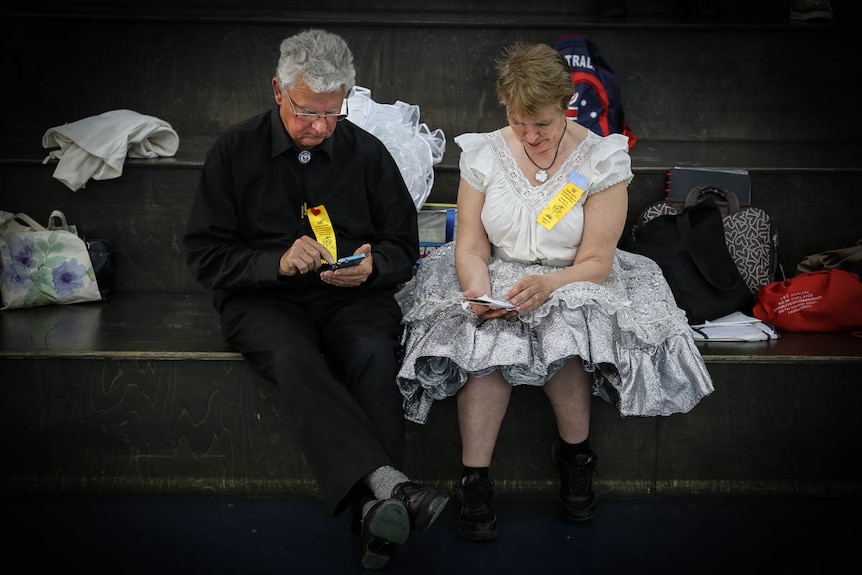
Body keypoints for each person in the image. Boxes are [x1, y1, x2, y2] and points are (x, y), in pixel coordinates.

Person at [395, 41, 715, 541]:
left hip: (573, 276)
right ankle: (473, 478)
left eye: (541, 124)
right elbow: (472, 246)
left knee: (562, 337)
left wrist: (550, 284)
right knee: (483, 346)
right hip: (499, 270)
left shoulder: (601, 158)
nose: (530, 135)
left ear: (565, 105)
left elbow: (596, 261)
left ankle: (576, 456)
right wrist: (480, 294)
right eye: (520, 122)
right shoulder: (485, 152)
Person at [183, 29, 448, 570]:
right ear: (278, 91)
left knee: (375, 352)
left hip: (352, 297)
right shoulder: (234, 151)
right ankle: (388, 490)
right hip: (262, 300)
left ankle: (376, 518)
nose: (320, 127)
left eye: (332, 113)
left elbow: (403, 246)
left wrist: (376, 267)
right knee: (292, 356)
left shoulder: (367, 153)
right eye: (307, 112)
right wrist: (273, 264)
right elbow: (205, 257)